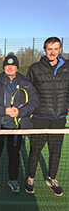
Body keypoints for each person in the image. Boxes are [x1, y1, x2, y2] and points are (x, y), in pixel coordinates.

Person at [0, 52, 39, 193]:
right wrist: (4, 111)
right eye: (7, 65)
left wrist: (20, 112)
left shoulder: (26, 83)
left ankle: (13, 180)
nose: (10, 67)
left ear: (17, 68)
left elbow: (34, 102)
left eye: (13, 65)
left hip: (16, 127)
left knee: (14, 155)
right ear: (4, 67)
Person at [25, 37, 69, 196]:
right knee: (35, 150)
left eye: (56, 48)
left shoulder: (67, 67)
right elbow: (28, 91)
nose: (52, 52)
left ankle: (52, 178)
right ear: (44, 50)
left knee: (55, 151)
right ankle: (31, 178)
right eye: (49, 49)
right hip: (39, 117)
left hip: (59, 118)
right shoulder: (35, 68)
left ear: (60, 49)